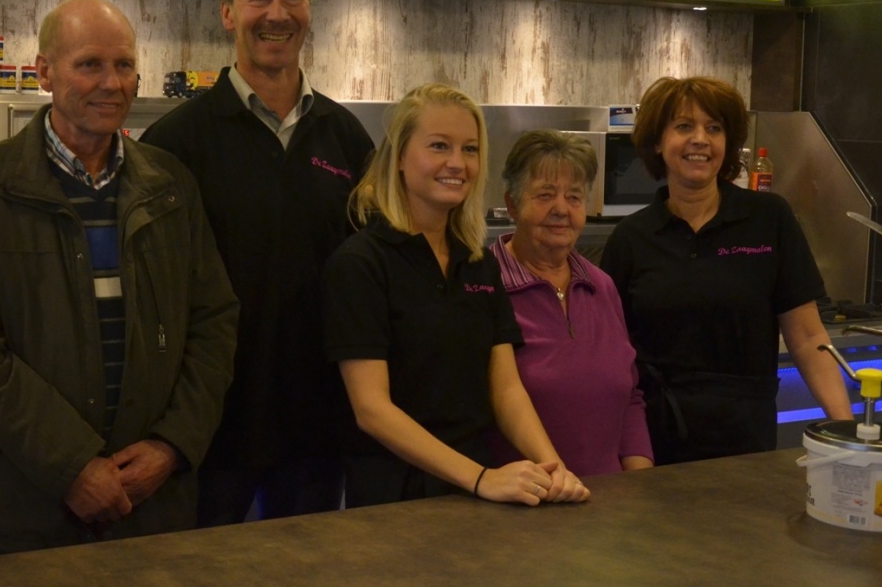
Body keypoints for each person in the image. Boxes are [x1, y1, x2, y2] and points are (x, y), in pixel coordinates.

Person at [0, 0, 239, 553]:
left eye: (124, 65)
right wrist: (70, 465)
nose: (111, 83)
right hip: (28, 511)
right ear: (45, 72)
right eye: (89, 64)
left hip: (153, 507)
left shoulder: (170, 185)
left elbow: (214, 323)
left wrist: (171, 445)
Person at [141, 0, 374, 526]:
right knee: (198, 568)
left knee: (305, 567)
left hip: (318, 428)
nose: (278, 14)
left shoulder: (348, 139)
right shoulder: (175, 144)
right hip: (209, 431)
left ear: (310, 10)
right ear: (227, 13)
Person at [323, 83, 590, 507]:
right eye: (439, 146)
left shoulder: (477, 262)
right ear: (399, 158)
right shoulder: (361, 263)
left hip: (476, 493)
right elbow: (372, 410)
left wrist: (553, 468)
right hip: (393, 497)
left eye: (469, 149)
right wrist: (480, 478)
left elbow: (505, 389)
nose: (457, 163)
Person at [600, 76, 853, 465]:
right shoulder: (631, 238)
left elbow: (806, 336)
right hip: (654, 442)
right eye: (684, 126)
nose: (700, 139)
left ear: (728, 143)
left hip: (746, 437)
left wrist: (845, 432)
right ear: (658, 142)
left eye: (714, 128)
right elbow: (612, 355)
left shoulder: (769, 218)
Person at [489, 130, 653, 477]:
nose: (561, 209)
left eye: (574, 197)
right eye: (545, 195)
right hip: (522, 499)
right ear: (512, 205)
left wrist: (641, 479)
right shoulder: (483, 286)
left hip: (610, 498)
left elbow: (630, 397)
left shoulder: (601, 286)